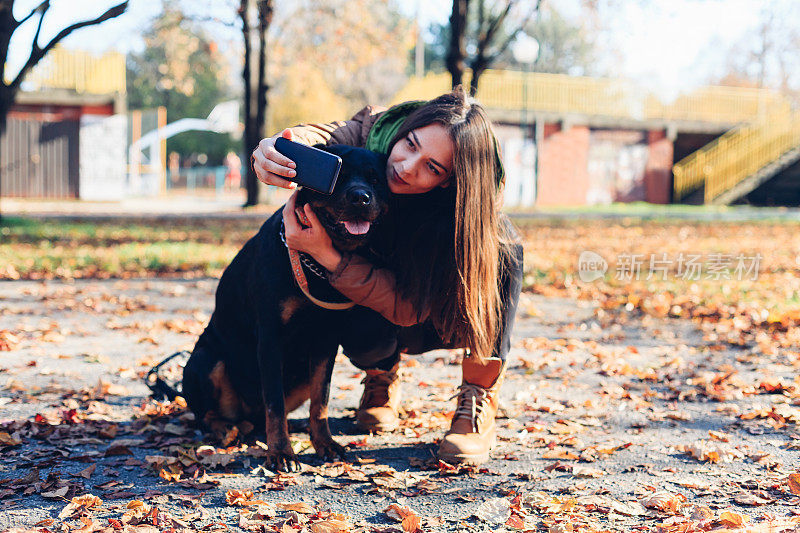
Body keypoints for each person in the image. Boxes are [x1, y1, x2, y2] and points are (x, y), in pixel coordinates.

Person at [250, 87, 523, 465]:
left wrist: (325, 254)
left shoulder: (456, 214)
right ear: (404, 129)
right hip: (369, 300)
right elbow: (326, 136)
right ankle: (381, 375)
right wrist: (281, 148)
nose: (407, 166)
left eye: (432, 166)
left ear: (449, 181)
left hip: (433, 313)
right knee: (349, 308)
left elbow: (408, 308)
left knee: (503, 244)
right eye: (410, 144)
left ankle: (478, 395)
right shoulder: (375, 131)